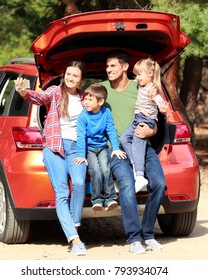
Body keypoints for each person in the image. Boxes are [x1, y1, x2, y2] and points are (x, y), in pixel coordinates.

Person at [14, 61, 88, 256]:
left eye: (75, 76)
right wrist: (24, 92)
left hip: (76, 149)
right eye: (68, 74)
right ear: (64, 74)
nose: (71, 78)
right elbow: (39, 97)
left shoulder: (83, 98)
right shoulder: (56, 91)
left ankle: (74, 226)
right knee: (62, 192)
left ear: (81, 80)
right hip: (55, 147)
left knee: (79, 184)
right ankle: (75, 238)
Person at [100, 50, 166, 255]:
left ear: (125, 67)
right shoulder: (100, 89)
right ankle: (135, 238)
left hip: (143, 145)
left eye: (112, 66)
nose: (108, 69)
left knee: (159, 184)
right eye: (107, 66)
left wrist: (152, 130)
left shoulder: (141, 86)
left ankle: (148, 233)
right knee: (128, 186)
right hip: (117, 150)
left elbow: (158, 118)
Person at [73, 84, 126, 212]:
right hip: (89, 149)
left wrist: (116, 148)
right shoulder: (83, 116)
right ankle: (97, 200)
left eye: (90, 99)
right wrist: (80, 154)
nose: (86, 101)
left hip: (102, 147)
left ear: (100, 101)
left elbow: (111, 130)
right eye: (85, 98)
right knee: (95, 170)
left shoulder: (106, 112)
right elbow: (81, 136)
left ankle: (110, 199)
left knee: (106, 169)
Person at [120, 58, 169, 193]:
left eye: (140, 74)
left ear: (150, 74)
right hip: (137, 119)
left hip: (146, 120)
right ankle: (136, 165)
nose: (137, 77)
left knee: (137, 144)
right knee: (124, 138)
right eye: (136, 74)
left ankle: (140, 176)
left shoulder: (152, 89)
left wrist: (162, 107)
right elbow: (133, 81)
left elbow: (159, 99)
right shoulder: (141, 85)